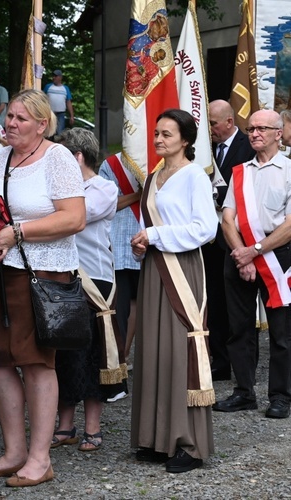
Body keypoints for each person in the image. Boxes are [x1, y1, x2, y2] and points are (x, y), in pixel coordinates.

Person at [0, 89, 85, 487]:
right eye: (11, 117)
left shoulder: (57, 158)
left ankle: (40, 459)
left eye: (21, 118)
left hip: (43, 275)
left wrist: (16, 233)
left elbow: (74, 218)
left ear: (42, 124)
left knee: (37, 362)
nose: (11, 123)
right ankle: (14, 451)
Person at [130, 109, 217, 473]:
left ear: (186, 140)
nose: (159, 140)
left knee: (179, 352)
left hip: (181, 271)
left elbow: (206, 228)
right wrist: (141, 242)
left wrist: (156, 236)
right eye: (156, 134)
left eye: (167, 134)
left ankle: (189, 444)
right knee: (153, 351)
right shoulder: (154, 176)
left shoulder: (195, 175)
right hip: (154, 269)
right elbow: (148, 225)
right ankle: (156, 437)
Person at [214, 109, 291, 420]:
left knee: (282, 332)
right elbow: (227, 218)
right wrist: (241, 253)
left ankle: (281, 396)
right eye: (251, 128)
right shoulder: (239, 171)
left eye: (262, 128)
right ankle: (244, 392)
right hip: (239, 256)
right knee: (239, 328)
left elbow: (289, 224)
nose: (255, 133)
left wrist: (254, 251)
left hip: (278, 256)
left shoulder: (289, 169)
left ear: (278, 133)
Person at [52, 128, 118, 452]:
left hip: (95, 281)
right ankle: (65, 425)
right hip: (61, 278)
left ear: (77, 157)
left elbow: (72, 218)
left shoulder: (103, 189)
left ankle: (93, 426)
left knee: (93, 357)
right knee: (63, 354)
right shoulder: (60, 190)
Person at [205, 99, 255, 381]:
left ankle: (244, 368)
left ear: (229, 123)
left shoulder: (248, 147)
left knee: (240, 308)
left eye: (213, 124)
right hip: (211, 238)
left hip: (239, 236)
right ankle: (220, 363)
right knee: (215, 304)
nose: (209, 129)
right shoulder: (206, 149)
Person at [98, 152, 141, 401]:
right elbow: (110, 204)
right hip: (121, 245)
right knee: (119, 311)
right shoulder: (111, 164)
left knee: (139, 307)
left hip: (151, 243)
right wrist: (138, 195)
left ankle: (128, 361)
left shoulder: (159, 160)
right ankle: (118, 369)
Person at [43, 70, 75, 136]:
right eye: (53, 76)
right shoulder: (48, 87)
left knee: (60, 133)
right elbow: (42, 98)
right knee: (48, 132)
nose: (54, 78)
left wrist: (71, 116)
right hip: (50, 113)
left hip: (61, 114)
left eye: (56, 76)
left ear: (60, 77)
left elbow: (68, 102)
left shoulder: (65, 88)